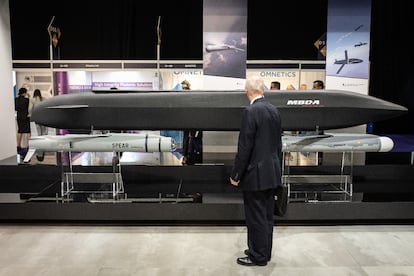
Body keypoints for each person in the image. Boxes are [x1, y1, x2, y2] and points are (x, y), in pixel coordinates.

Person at [230, 76, 283, 266]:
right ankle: (263, 251)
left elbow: (245, 148)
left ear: (248, 91)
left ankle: (257, 257)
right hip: (272, 172)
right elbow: (278, 145)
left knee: (255, 217)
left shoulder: (251, 111)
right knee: (267, 216)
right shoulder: (273, 110)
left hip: (255, 175)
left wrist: (236, 175)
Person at [180, 80, 203, 165]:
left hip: (191, 122)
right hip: (186, 122)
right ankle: (186, 155)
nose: (183, 89)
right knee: (187, 138)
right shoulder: (184, 97)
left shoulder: (191, 97)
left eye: (184, 88)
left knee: (191, 139)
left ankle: (189, 155)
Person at [15, 87, 31, 152]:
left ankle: (18, 145)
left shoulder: (15, 99)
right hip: (26, 117)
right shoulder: (27, 100)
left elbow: (15, 108)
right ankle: (29, 145)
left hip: (19, 117)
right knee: (28, 131)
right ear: (24, 93)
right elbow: (29, 108)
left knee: (20, 131)